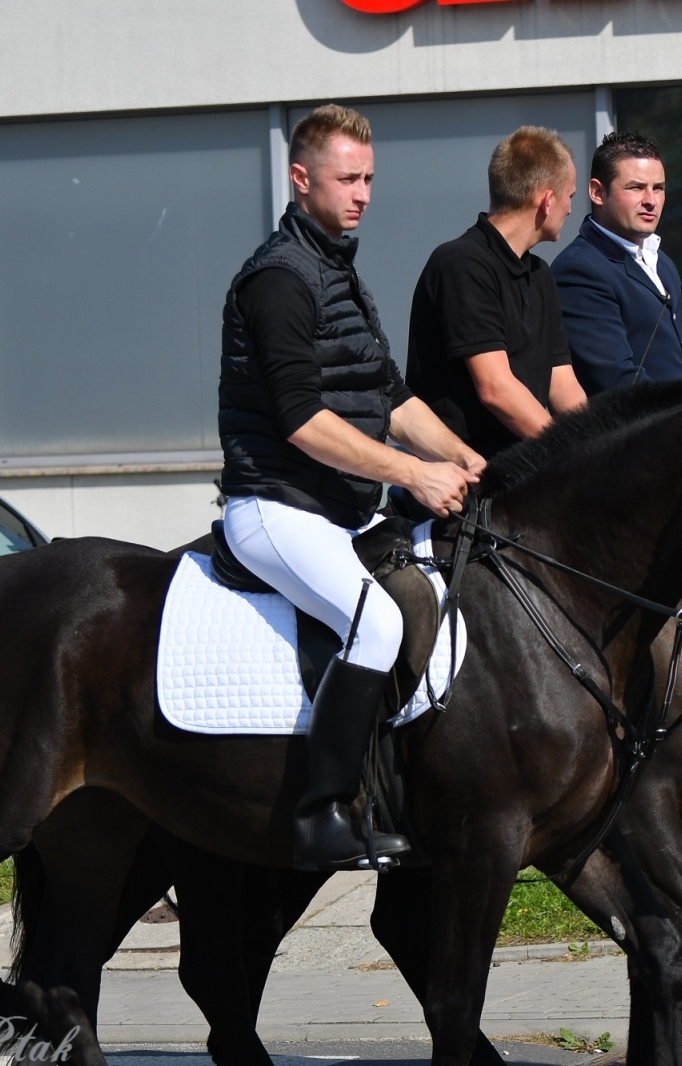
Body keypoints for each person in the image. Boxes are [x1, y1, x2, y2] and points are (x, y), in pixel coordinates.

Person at [218, 104, 484, 868]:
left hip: (337, 514)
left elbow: (394, 401)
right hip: (274, 508)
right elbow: (303, 422)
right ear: (301, 179)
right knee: (376, 625)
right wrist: (415, 474)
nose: (363, 192)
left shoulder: (336, 269)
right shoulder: (278, 280)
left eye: (369, 177)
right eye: (347, 178)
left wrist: (470, 462)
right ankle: (317, 814)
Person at [406, 126, 588, 457]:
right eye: (570, 197)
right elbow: (495, 388)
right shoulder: (462, 264)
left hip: (525, 470)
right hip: (465, 480)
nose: (571, 209)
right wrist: (573, 453)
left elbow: (564, 385)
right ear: (547, 201)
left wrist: (599, 444)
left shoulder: (540, 275)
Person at [551, 130, 682, 394]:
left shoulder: (660, 261)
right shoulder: (579, 271)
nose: (651, 201)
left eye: (658, 188)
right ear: (598, 192)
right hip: (649, 430)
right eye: (636, 187)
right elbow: (618, 380)